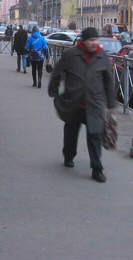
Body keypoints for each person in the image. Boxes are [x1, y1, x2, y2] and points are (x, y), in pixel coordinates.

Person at [48, 27, 115, 183]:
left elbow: (109, 81)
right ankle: (69, 155)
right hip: (73, 102)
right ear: (83, 41)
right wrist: (53, 92)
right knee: (71, 133)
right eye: (91, 40)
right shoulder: (71, 54)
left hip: (94, 104)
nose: (94, 43)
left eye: (96, 40)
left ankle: (97, 169)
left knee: (95, 136)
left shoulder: (102, 56)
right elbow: (57, 72)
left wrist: (111, 103)